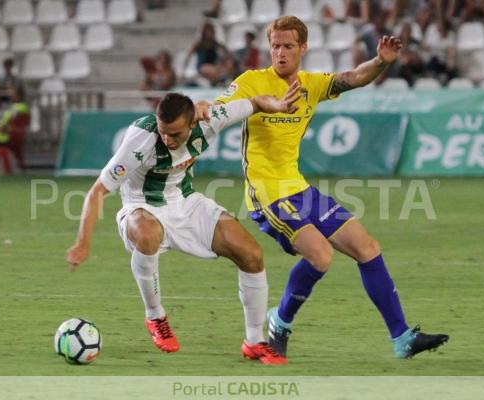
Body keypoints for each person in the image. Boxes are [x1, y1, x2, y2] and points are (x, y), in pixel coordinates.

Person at [208, 16, 449, 360]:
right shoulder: (251, 82)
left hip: (298, 188)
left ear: (303, 48)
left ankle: (402, 338)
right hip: (266, 194)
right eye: (275, 46)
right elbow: (217, 111)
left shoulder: (311, 84)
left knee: (367, 247)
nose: (280, 53)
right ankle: (280, 320)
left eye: (288, 46)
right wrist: (256, 103)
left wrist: (380, 61)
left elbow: (352, 78)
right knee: (320, 255)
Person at [66, 85, 302, 365]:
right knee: (148, 233)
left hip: (186, 202)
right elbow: (97, 191)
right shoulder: (140, 141)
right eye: (163, 131)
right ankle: (155, 316)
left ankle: (254, 341)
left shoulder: (212, 118)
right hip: (141, 206)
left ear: (193, 122)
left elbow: (254, 101)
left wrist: (277, 105)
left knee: (251, 253)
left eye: (175, 134)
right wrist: (82, 242)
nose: (167, 139)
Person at [182, 22, 234, 86]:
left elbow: (227, 53)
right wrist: (183, 70)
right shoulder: (199, 44)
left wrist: (225, 61)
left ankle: (217, 83)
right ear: (204, 32)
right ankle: (215, 82)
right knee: (214, 71)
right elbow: (188, 56)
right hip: (202, 66)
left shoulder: (215, 43)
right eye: (208, 32)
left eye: (211, 31)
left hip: (213, 66)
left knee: (227, 67)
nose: (210, 34)